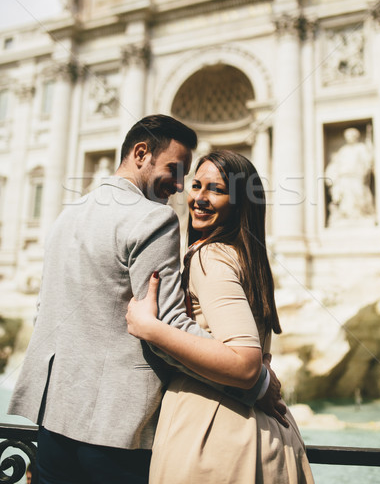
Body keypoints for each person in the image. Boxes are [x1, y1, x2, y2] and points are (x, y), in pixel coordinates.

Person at [8, 115, 282, 484]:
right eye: (175, 169)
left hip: (54, 419)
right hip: (117, 430)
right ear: (141, 153)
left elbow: (48, 311)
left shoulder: (67, 214)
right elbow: (167, 330)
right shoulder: (153, 219)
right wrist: (255, 383)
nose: (180, 185)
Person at [126, 150, 314, 484]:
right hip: (264, 433)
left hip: (214, 435)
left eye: (215, 189)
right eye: (196, 185)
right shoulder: (247, 257)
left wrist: (150, 328)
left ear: (239, 202)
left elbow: (244, 364)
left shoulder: (209, 257)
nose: (198, 197)